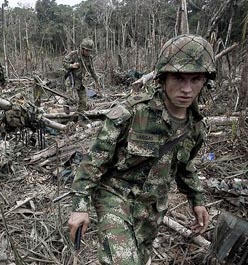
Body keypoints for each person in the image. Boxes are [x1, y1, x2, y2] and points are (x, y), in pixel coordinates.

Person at [68, 34, 215, 264]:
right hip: (115, 196)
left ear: (204, 81)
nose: (187, 89)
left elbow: (185, 166)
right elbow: (94, 161)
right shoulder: (131, 113)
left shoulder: (195, 126)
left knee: (140, 257)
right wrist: (79, 206)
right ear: (162, 78)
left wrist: (197, 199)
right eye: (178, 77)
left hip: (152, 210)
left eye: (195, 79)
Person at [63, 38, 100, 113]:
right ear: (82, 48)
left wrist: (96, 80)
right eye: (86, 50)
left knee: (83, 103)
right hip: (72, 81)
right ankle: (66, 103)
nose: (88, 52)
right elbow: (64, 62)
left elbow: (92, 70)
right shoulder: (74, 54)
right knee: (73, 99)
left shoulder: (89, 58)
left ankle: (80, 118)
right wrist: (71, 65)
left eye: (89, 51)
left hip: (81, 82)